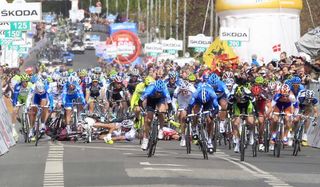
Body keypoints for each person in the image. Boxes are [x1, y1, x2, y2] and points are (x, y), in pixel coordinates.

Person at [139, 79, 172, 150]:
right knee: (148, 120)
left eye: (160, 92)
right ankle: (145, 140)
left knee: (161, 111)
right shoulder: (149, 89)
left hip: (161, 100)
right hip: (151, 100)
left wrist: (168, 113)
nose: (159, 93)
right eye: (157, 92)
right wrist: (143, 110)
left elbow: (170, 105)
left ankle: (161, 128)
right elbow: (140, 101)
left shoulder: (165, 91)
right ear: (155, 89)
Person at [188, 83, 219, 154]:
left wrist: (212, 114)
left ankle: (209, 141)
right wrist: (190, 115)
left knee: (210, 120)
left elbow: (216, 108)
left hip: (208, 103)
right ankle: (194, 129)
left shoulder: (212, 94)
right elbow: (190, 107)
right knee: (195, 113)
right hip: (198, 102)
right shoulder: (195, 94)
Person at [228, 84, 255, 153]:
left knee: (251, 121)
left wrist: (256, 113)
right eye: (238, 97)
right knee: (236, 124)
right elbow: (229, 107)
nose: (239, 99)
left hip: (248, 106)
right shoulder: (232, 97)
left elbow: (254, 104)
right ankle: (237, 143)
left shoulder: (248, 96)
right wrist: (230, 113)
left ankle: (251, 134)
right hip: (237, 107)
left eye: (241, 97)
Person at [173, 80, 196, 146]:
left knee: (195, 113)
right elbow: (173, 101)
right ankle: (183, 137)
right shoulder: (177, 90)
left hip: (191, 103)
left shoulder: (192, 89)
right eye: (182, 91)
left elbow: (197, 100)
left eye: (185, 91)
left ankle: (194, 128)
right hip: (182, 103)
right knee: (182, 115)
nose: (184, 92)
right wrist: (175, 109)